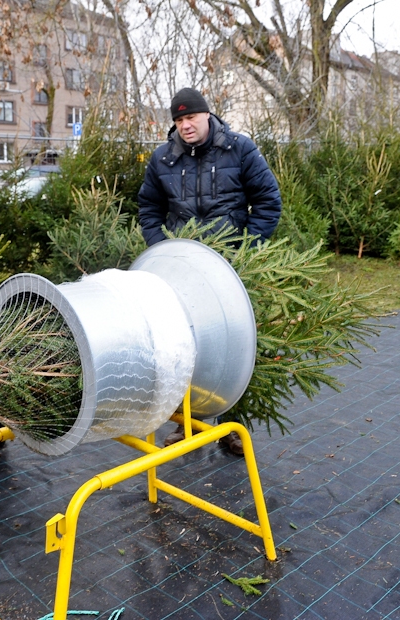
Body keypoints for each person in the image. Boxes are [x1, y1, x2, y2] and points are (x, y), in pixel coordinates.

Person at [138, 88, 282, 455]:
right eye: (179, 120)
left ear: (207, 116)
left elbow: (268, 200)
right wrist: (161, 249)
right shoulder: (163, 160)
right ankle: (186, 425)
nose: (186, 125)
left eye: (191, 118)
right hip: (181, 273)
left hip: (229, 269)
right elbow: (148, 209)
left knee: (233, 346)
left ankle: (231, 429)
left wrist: (247, 251)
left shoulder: (239, 148)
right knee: (184, 347)